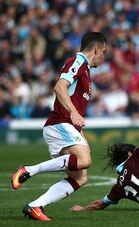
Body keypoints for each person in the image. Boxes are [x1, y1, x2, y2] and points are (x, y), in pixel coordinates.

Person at [11, 32, 107, 221]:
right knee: (84, 159)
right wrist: (73, 112)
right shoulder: (78, 62)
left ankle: (35, 206)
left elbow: (74, 102)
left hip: (67, 126)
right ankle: (29, 170)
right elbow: (60, 86)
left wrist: (79, 129)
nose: (103, 56)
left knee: (80, 177)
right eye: (103, 51)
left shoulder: (85, 70)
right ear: (96, 49)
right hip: (59, 123)